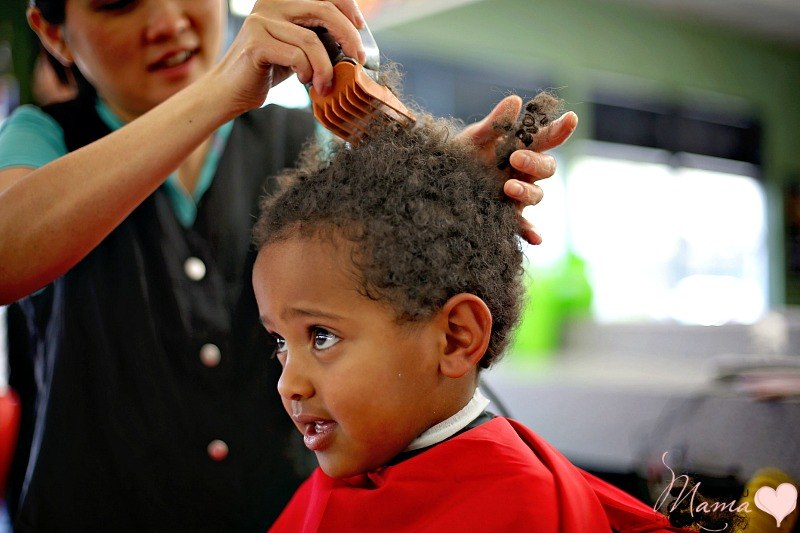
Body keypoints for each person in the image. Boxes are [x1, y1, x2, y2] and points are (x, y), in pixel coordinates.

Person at [0, 0, 577, 530]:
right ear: (54, 31)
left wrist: (451, 193)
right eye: (120, 1)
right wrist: (224, 88)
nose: (167, 20)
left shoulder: (308, 141)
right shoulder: (42, 137)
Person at [252, 110, 682, 532]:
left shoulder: (521, 508)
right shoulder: (338, 480)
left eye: (322, 337)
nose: (288, 384)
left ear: (456, 338)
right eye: (280, 342)